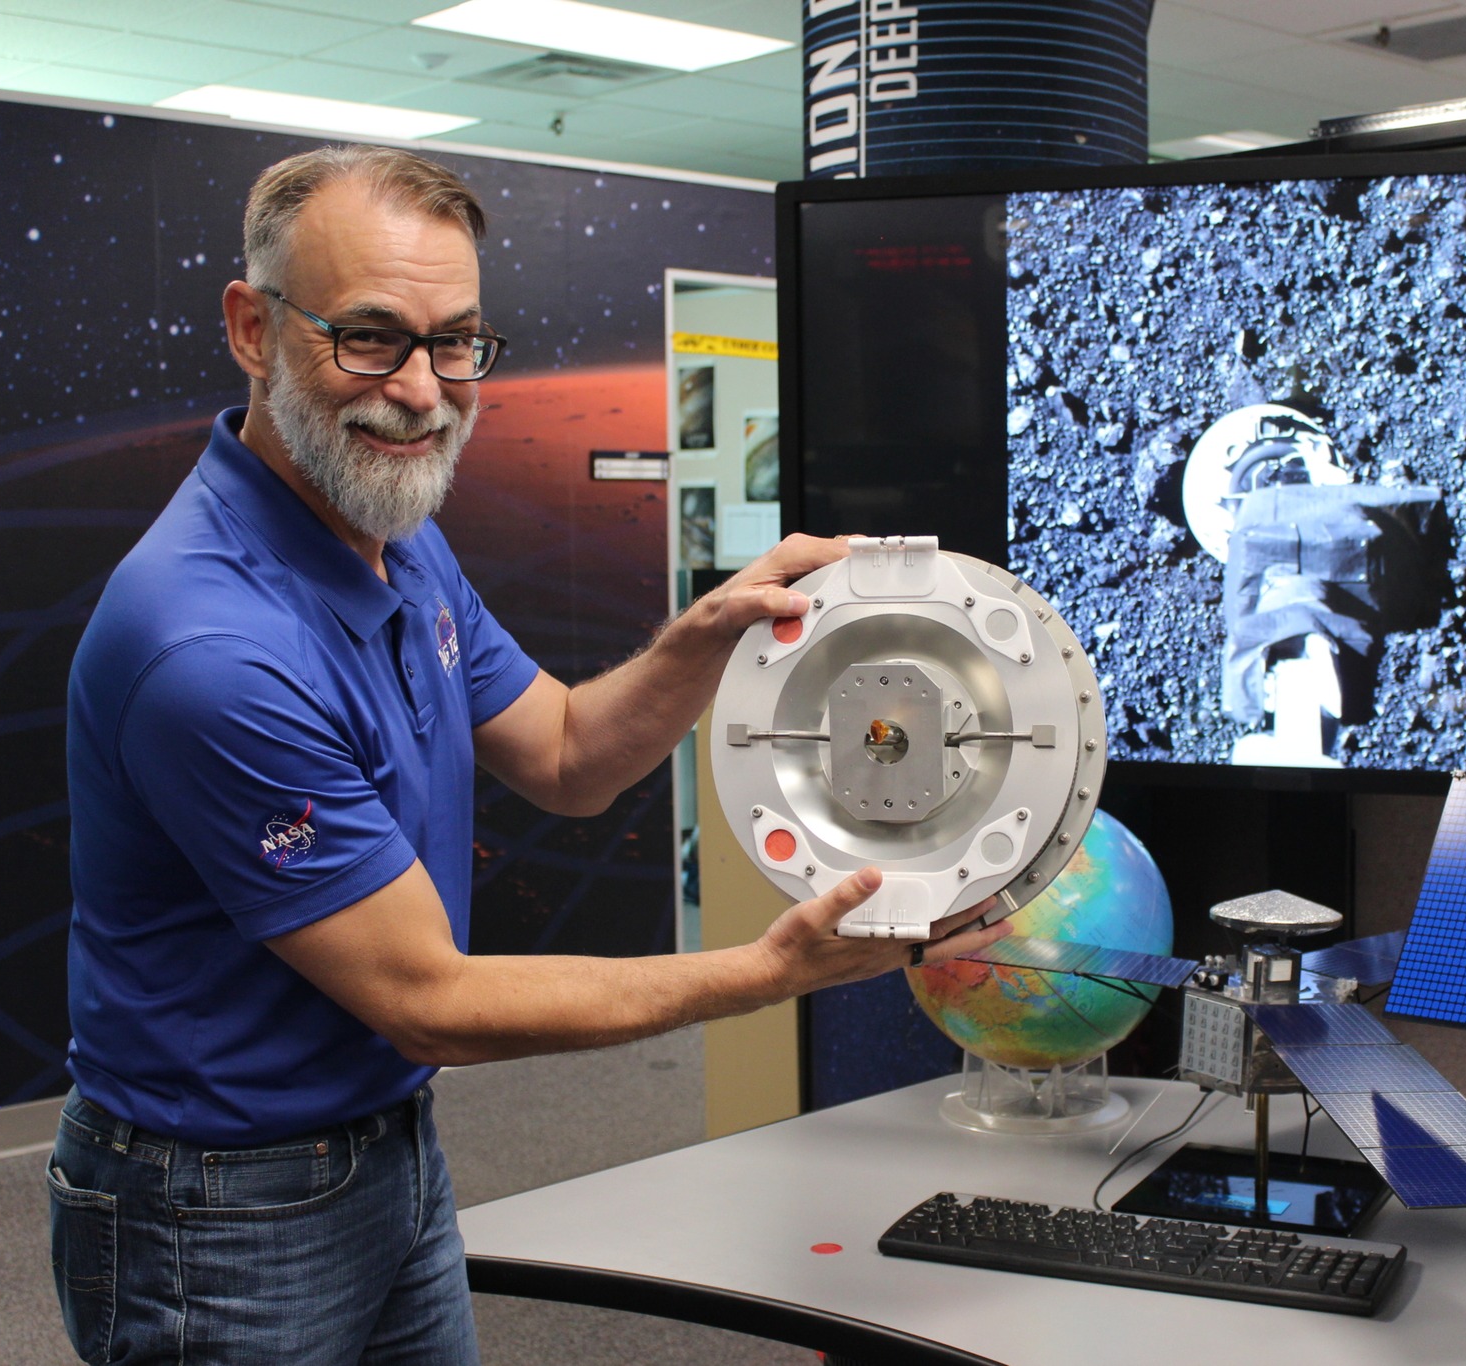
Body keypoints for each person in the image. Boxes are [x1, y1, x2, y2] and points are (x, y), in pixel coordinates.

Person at [49, 143, 1006, 1365]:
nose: (422, 389)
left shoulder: (387, 534)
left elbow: (565, 754)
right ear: (251, 327)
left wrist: (706, 638)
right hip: (217, 1209)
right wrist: (770, 973)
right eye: (369, 336)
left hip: (385, 1149)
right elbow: (427, 999)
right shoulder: (210, 646)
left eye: (457, 341)